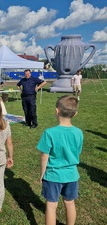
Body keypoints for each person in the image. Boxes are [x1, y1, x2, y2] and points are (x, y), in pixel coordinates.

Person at [37, 95, 83, 225]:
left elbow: (44, 156)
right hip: (72, 175)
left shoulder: (49, 133)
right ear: (75, 114)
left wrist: (42, 174)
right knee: (69, 202)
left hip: (52, 175)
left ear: (57, 111)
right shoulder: (79, 132)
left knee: (51, 205)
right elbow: (77, 151)